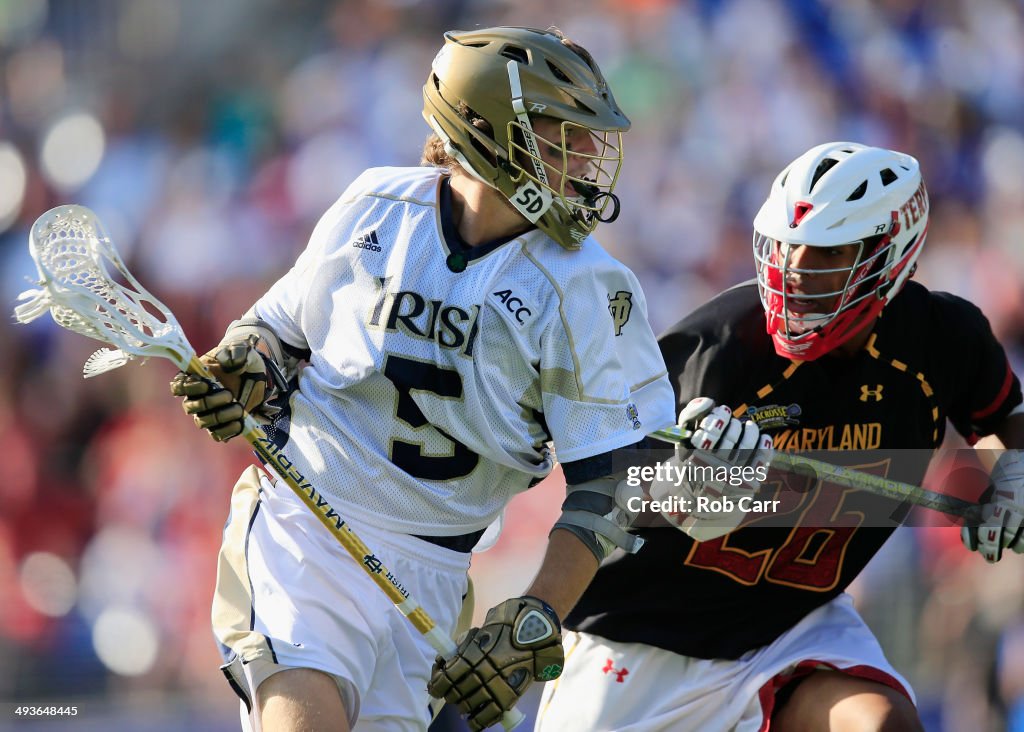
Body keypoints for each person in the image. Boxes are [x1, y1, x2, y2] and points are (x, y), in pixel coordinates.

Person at [167, 26, 763, 732]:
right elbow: (276, 330)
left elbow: (609, 489)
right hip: (308, 532)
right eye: (558, 135)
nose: (582, 157)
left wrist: (533, 616)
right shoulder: (376, 209)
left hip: (436, 572)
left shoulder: (586, 288)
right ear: (484, 131)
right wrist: (246, 366)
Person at [536, 142, 1024, 731]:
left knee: (881, 724)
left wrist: (1008, 479)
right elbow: (610, 478)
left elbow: (1003, 419)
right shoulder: (722, 345)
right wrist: (690, 489)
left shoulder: (941, 340)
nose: (795, 271)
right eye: (789, 248)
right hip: (645, 632)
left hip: (790, 624)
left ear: (890, 258)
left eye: (826, 253)